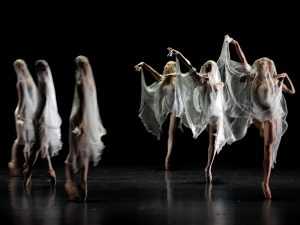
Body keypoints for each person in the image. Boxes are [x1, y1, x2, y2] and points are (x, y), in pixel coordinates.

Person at [218, 35, 295, 199]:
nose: (261, 68)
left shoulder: (274, 81)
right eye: (259, 66)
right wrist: (235, 43)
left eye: (264, 67)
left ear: (268, 69)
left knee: (267, 149)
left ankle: (265, 182)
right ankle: (260, 128)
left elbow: (292, 91)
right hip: (255, 114)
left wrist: (286, 76)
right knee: (254, 120)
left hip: (271, 115)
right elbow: (243, 58)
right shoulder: (252, 76)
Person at [167, 47, 238, 183]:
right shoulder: (200, 80)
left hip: (216, 113)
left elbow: (216, 88)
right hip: (206, 112)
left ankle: (208, 167)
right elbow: (189, 65)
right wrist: (179, 53)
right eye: (207, 66)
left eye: (211, 66)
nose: (209, 67)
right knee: (212, 140)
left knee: (215, 140)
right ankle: (208, 166)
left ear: (215, 70)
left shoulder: (219, 83)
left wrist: (209, 78)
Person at [65, 55, 106, 202]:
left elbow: (83, 104)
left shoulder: (81, 81)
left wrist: (80, 123)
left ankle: (70, 182)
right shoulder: (90, 82)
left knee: (75, 153)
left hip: (80, 119)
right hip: (86, 120)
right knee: (85, 153)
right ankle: (83, 182)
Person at [134, 59, 181, 170]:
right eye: (165, 65)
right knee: (169, 133)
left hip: (178, 109)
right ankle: (170, 157)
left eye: (168, 65)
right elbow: (153, 72)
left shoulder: (178, 80)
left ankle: (168, 159)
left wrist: (173, 73)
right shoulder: (163, 79)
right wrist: (144, 64)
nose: (165, 67)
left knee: (171, 133)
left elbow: (185, 75)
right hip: (168, 109)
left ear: (173, 68)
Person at [23, 60, 63, 191]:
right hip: (42, 117)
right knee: (42, 148)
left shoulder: (44, 82)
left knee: (37, 148)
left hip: (43, 118)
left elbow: (45, 100)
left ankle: (29, 173)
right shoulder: (45, 80)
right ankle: (51, 171)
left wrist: (39, 117)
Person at [8, 59, 38, 176]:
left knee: (21, 140)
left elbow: (22, 100)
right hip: (28, 112)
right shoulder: (31, 81)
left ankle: (15, 162)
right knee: (25, 140)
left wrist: (19, 113)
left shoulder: (20, 82)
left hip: (23, 112)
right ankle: (23, 163)